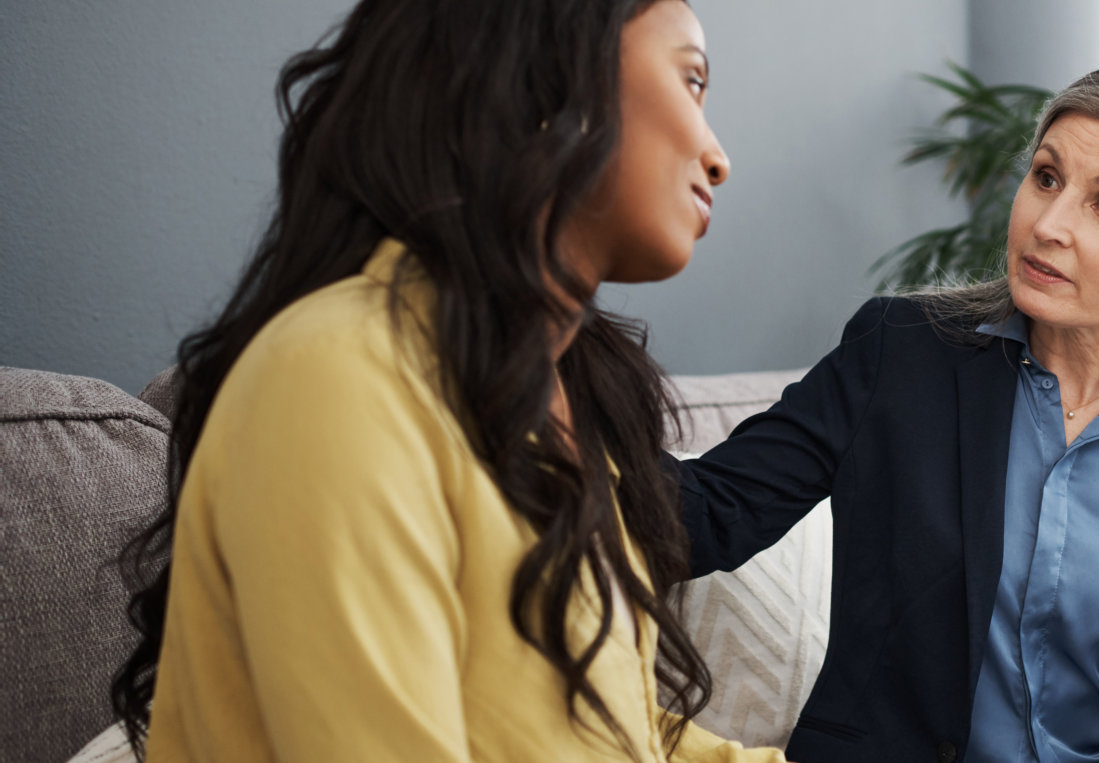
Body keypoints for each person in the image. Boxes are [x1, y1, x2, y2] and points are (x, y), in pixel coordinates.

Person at [108, 1, 781, 761]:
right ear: (543, 77)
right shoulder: (339, 376)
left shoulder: (555, 408)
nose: (718, 156)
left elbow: (617, 733)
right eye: (691, 79)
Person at [674, 60, 1099, 763]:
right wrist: (547, 427)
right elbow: (710, 511)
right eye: (1046, 177)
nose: (1049, 224)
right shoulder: (900, 353)